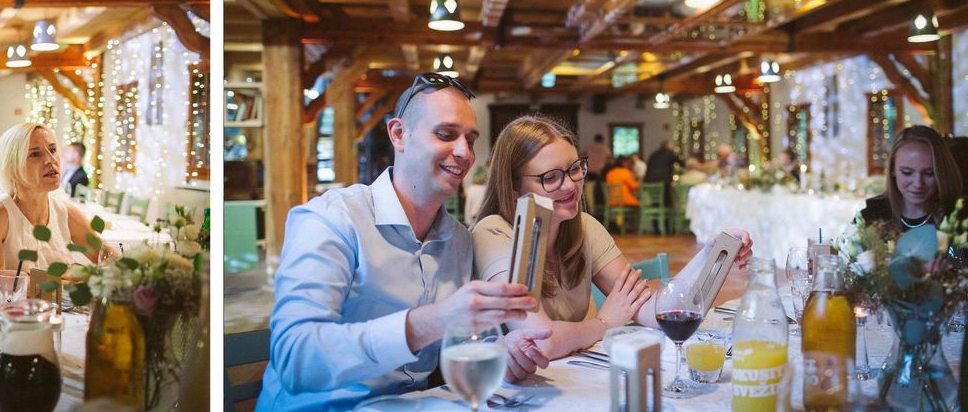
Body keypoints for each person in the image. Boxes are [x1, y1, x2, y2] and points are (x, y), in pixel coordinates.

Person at [258, 73, 550, 411]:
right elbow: (297, 358)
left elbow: (456, 349)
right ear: (399, 134)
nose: (465, 153)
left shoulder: (458, 239)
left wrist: (504, 348)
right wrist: (432, 320)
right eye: (446, 134)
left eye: (470, 140)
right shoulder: (331, 219)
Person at [471, 116, 752, 363]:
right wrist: (604, 323)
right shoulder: (493, 233)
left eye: (573, 169)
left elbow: (653, 312)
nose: (570, 185)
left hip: (563, 379)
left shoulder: (584, 227)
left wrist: (711, 254)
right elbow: (542, 341)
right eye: (551, 177)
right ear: (513, 186)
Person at [0, 123, 107, 300]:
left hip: (49, 317)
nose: (51, 160)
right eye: (35, 154)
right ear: (12, 166)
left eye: (53, 149)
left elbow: (107, 257)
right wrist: (71, 275)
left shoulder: (65, 212)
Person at [858, 126, 964, 232]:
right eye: (907, 172)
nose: (918, 184)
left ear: (941, 173)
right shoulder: (870, 218)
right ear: (892, 170)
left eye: (929, 173)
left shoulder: (959, 220)